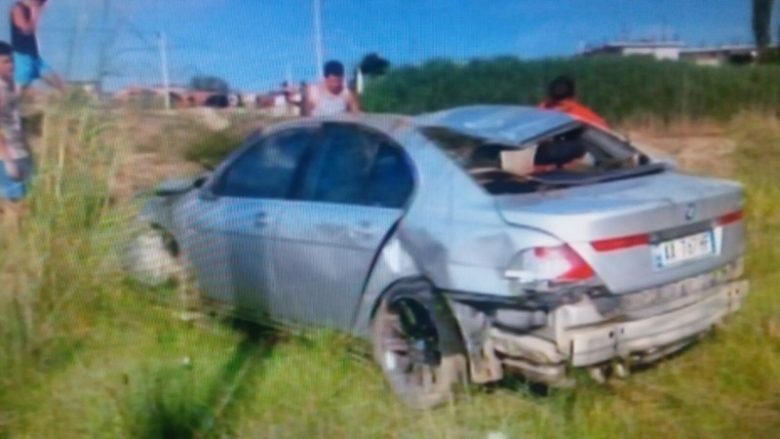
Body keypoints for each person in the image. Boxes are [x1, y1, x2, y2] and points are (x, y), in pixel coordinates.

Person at [0, 41, 33, 227]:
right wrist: (9, 161)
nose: (11, 65)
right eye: (5, 62)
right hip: (7, 157)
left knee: (22, 204)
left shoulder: (10, 86)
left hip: (19, 153)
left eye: (11, 61)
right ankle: (14, 250)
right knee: (13, 205)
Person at [10, 0, 64, 93]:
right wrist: (35, 14)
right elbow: (25, 30)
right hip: (22, 56)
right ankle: (12, 105)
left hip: (34, 55)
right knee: (21, 90)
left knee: (58, 83)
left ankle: (70, 101)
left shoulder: (30, 9)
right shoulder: (18, 9)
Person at [538, 76, 609, 130]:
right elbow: (605, 130)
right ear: (574, 94)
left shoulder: (543, 110)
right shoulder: (582, 114)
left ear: (550, 94)